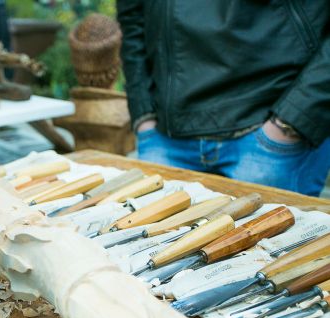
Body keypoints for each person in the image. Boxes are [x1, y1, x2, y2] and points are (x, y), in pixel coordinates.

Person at [117, 0, 330, 196]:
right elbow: (132, 16)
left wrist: (292, 119)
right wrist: (143, 111)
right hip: (165, 136)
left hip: (272, 128)